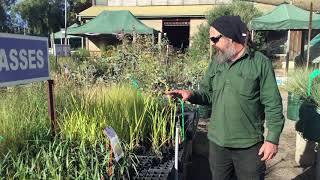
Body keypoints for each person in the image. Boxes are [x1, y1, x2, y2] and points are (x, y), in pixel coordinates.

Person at [166, 16, 285, 180]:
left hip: (249, 146)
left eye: (215, 38)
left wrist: (272, 139)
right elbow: (207, 94)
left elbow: (273, 104)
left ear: (230, 37)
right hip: (217, 144)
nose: (211, 43)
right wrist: (191, 94)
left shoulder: (259, 63)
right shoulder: (217, 62)